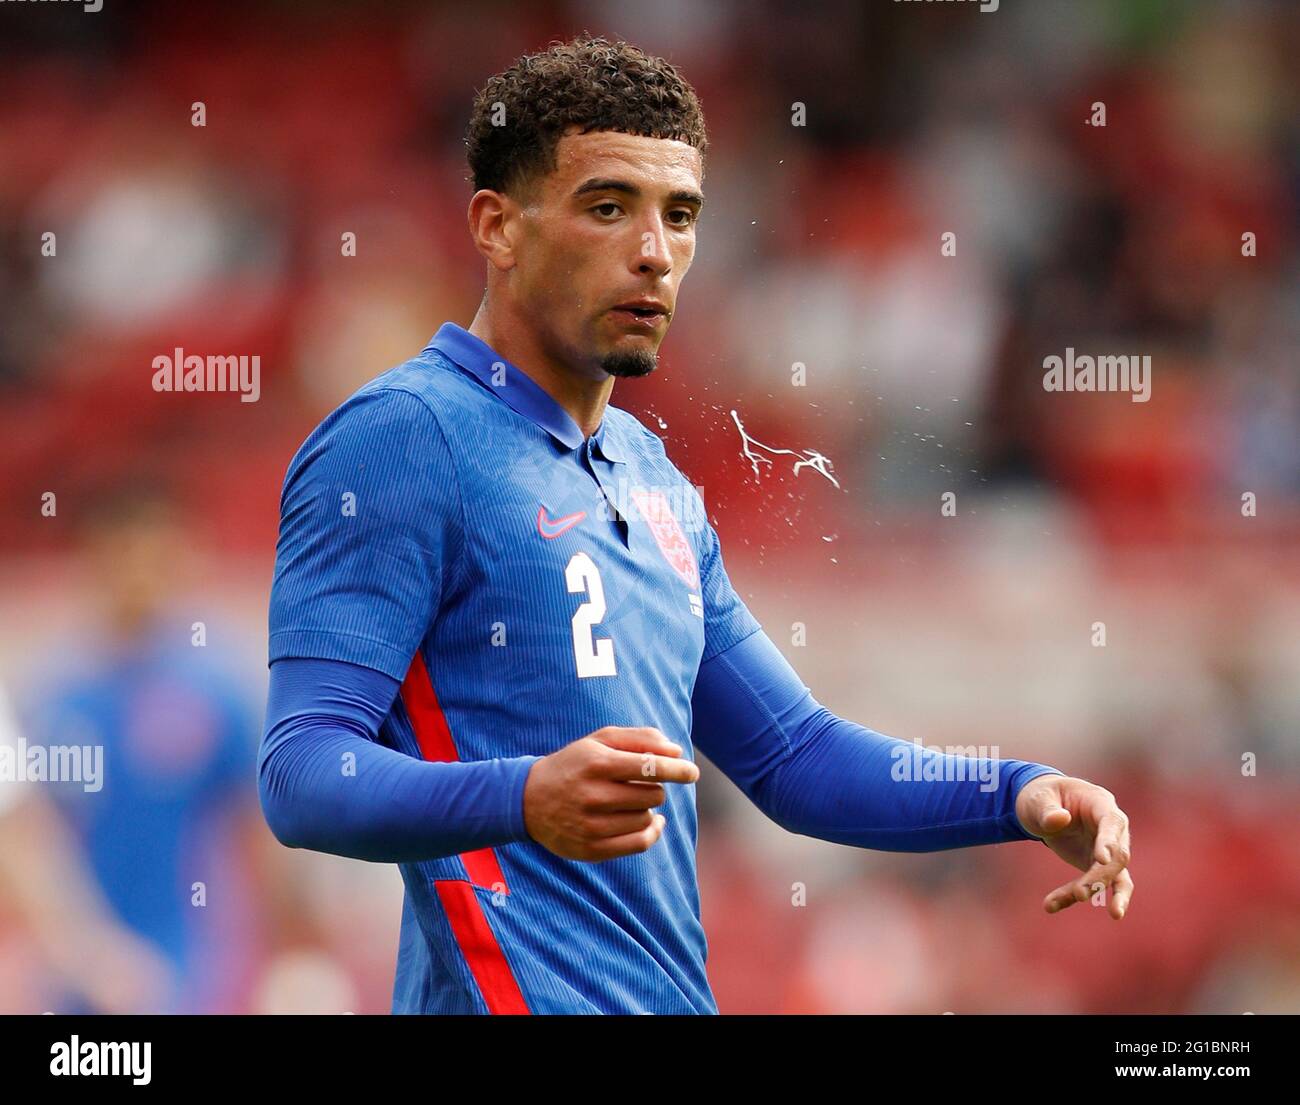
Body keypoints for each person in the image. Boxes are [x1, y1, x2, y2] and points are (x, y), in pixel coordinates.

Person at [260, 35, 1133, 1015]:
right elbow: (301, 771)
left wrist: (1015, 791)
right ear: (496, 226)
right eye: (607, 207)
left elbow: (794, 758)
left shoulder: (651, 475)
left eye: (680, 216)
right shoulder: (398, 442)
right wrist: (520, 796)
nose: (654, 251)